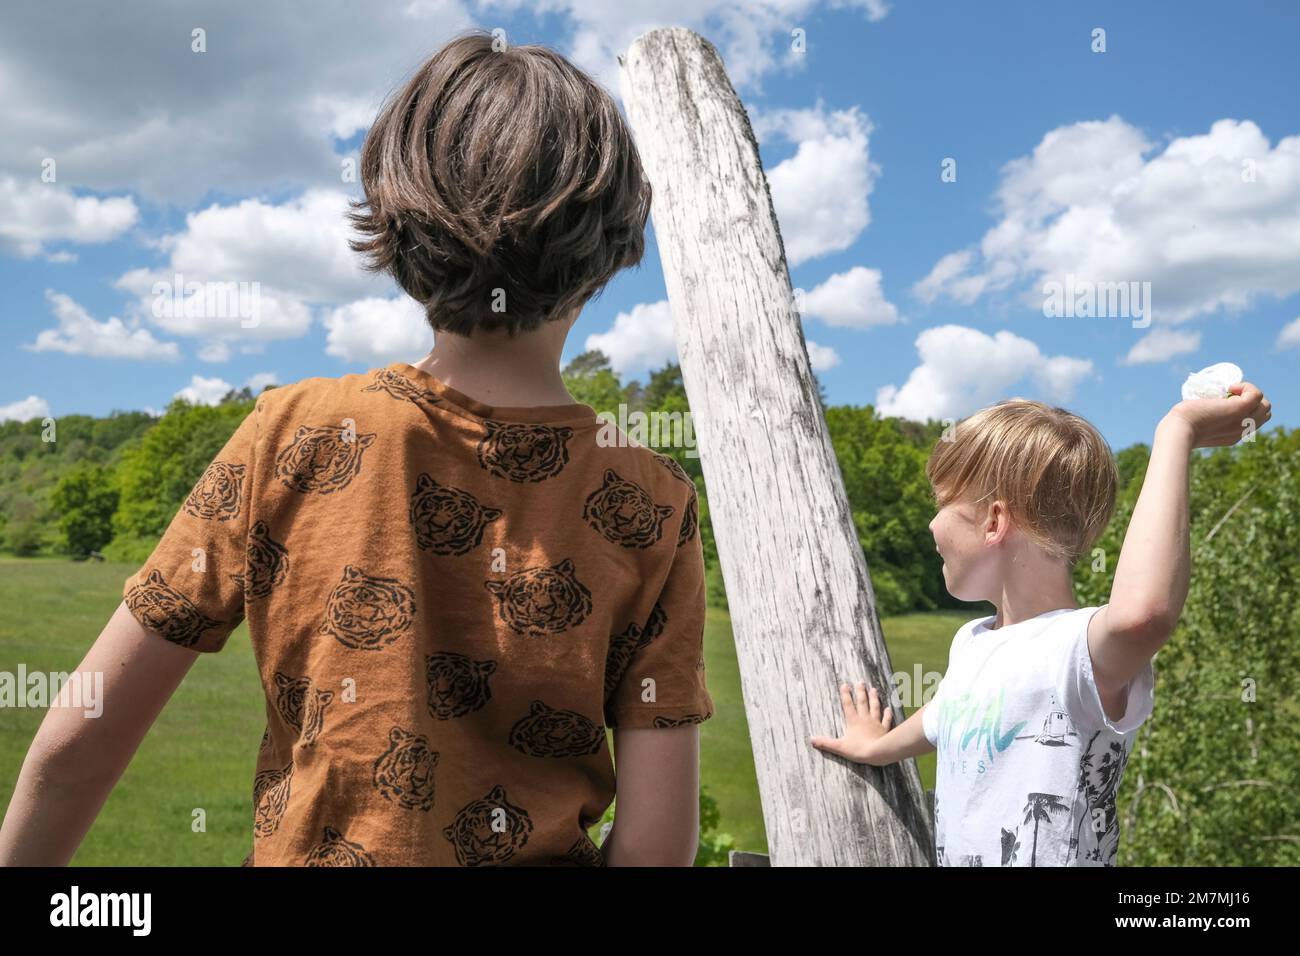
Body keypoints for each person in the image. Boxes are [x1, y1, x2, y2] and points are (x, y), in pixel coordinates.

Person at [0, 30, 712, 867]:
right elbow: (657, 847)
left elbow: (75, 747)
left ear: (399, 219)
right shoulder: (653, 499)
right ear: (613, 243)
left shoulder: (293, 433)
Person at [810, 385, 1271, 865]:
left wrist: (1178, 431)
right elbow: (948, 716)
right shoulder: (972, 643)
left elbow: (1143, 616)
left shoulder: (1075, 651)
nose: (930, 524)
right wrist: (878, 746)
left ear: (993, 522)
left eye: (941, 503)